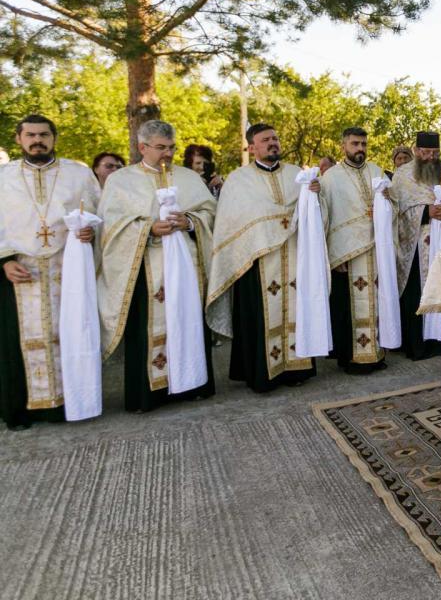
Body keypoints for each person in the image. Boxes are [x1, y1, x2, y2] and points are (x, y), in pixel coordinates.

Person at [97, 120, 217, 413]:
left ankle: (193, 383)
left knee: (188, 319)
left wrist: (189, 221)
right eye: (161, 147)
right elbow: (111, 225)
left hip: (186, 266)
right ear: (142, 147)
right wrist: (148, 228)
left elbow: (210, 211)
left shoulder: (189, 177)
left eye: (171, 147)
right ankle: (148, 394)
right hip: (144, 268)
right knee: (148, 329)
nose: (168, 153)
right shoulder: (121, 180)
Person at [0, 115, 101, 429]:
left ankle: (69, 403)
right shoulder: (3, 177)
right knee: (16, 342)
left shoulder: (79, 174)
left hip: (67, 269)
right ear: (19, 139)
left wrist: (91, 233)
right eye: (30, 135)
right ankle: (21, 409)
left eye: (44, 134)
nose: (37, 140)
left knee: (70, 334)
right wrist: (3, 261)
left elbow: (100, 215)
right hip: (19, 268)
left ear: (54, 138)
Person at [206, 124, 318, 392]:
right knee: (258, 317)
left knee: (296, 309)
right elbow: (231, 223)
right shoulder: (237, 180)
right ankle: (262, 373)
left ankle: (296, 368)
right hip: (256, 261)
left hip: (294, 256)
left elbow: (314, 214)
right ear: (252, 147)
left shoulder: (296, 175)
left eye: (276, 138)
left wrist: (315, 195)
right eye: (265, 140)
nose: (273, 143)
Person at [321, 127, 395, 373]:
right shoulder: (330, 178)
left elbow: (393, 204)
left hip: (375, 249)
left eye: (363, 144)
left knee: (376, 302)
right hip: (347, 252)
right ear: (343, 146)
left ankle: (375, 354)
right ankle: (351, 358)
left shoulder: (377, 171)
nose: (360, 148)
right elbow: (326, 218)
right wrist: (333, 255)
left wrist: (386, 201)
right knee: (348, 306)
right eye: (355, 144)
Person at [394, 132, 441, 360]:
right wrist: (426, 211)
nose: (431, 157)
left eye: (435, 153)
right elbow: (398, 209)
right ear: (416, 150)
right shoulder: (403, 175)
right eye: (426, 152)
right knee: (416, 294)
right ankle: (417, 346)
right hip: (416, 248)